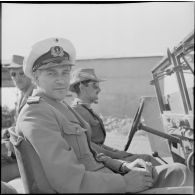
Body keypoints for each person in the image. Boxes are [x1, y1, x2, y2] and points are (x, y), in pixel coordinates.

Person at [14, 37, 192, 193]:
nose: (61, 80)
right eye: (51, 73)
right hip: (99, 188)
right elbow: (67, 180)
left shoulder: (58, 106)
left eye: (65, 72)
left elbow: (89, 154)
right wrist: (124, 183)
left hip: (104, 179)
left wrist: (122, 166)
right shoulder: (36, 112)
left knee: (178, 170)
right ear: (35, 77)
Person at [69, 68, 160, 166]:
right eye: (94, 85)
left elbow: (97, 143)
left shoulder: (84, 108)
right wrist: (116, 155)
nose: (99, 89)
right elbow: (88, 145)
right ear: (82, 87)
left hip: (100, 158)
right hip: (96, 162)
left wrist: (117, 152)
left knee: (145, 159)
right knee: (147, 160)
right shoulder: (77, 111)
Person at [1, 55, 35, 182]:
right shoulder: (22, 95)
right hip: (20, 150)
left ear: (30, 74)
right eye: (13, 74)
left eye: (21, 73)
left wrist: (7, 144)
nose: (17, 78)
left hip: (31, 155)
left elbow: (30, 131)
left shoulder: (34, 94)